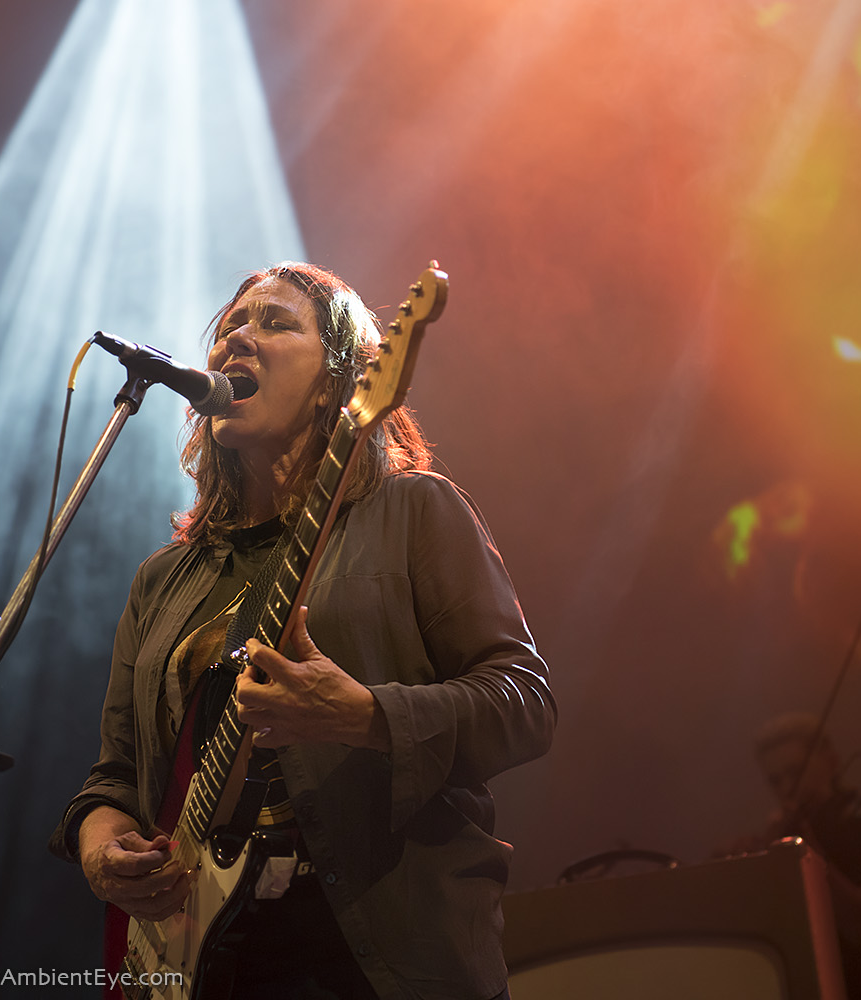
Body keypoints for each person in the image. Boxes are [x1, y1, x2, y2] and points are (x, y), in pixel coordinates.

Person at [49, 262, 556, 1000]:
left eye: (275, 323)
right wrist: (101, 849)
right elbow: (116, 775)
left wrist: (367, 716)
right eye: (229, 328)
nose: (236, 342)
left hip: (379, 951)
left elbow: (525, 703)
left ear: (341, 379)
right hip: (208, 958)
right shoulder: (163, 580)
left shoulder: (415, 512)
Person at [752, 713, 861, 996]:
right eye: (775, 780)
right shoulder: (776, 847)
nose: (785, 789)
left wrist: (805, 851)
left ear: (831, 761)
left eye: (795, 772)